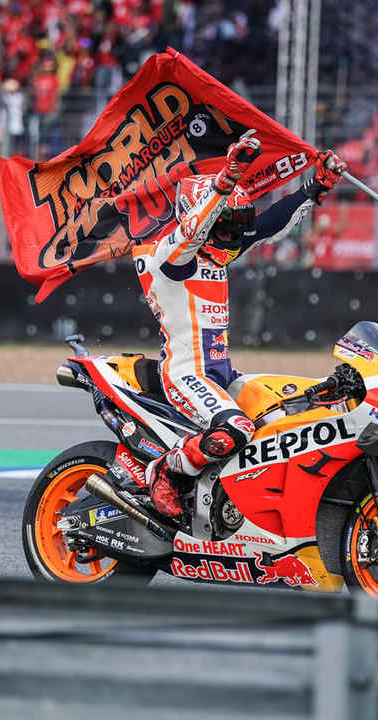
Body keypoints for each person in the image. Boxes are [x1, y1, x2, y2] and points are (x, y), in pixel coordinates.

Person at [132, 130, 347, 518]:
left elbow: (266, 226)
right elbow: (195, 230)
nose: (235, 234)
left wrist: (315, 187)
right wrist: (226, 179)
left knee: (284, 419)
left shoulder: (218, 256)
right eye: (227, 225)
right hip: (185, 373)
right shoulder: (172, 257)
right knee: (238, 430)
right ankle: (163, 471)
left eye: (237, 224)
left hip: (221, 372)